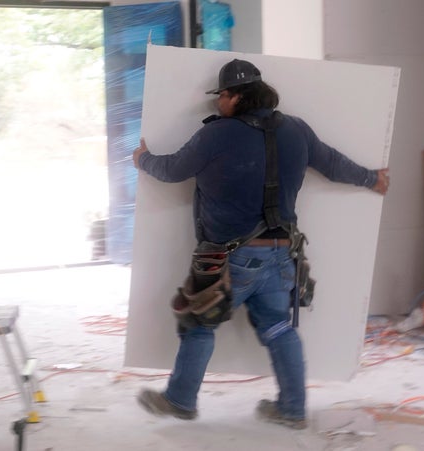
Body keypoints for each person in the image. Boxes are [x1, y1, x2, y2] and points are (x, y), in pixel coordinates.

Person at [132, 59, 390, 429]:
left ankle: (180, 399)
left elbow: (172, 170)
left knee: (198, 323)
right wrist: (371, 178)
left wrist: (143, 159)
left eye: (221, 95)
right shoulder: (296, 129)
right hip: (283, 254)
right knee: (277, 327)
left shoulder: (217, 134)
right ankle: (292, 409)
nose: (217, 102)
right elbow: (332, 164)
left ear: (236, 96)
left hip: (229, 258)